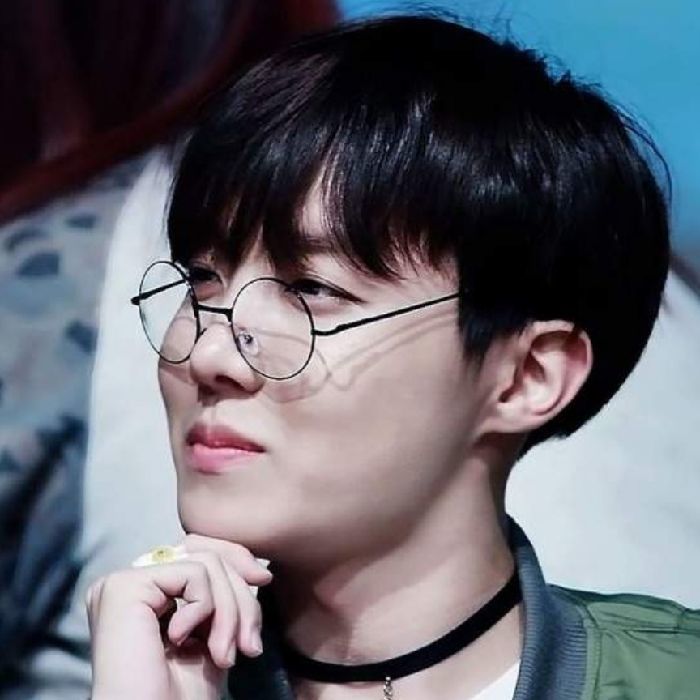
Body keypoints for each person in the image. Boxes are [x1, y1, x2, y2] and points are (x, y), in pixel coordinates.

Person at [86, 15, 700, 700]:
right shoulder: (153, 674)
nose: (210, 354)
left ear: (528, 377)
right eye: (202, 280)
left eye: (312, 291)